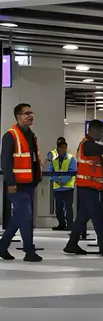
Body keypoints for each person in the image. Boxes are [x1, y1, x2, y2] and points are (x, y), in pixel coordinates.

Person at [64, 119, 103, 256]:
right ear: (93, 131)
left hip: (88, 187)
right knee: (97, 217)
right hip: (89, 187)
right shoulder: (88, 145)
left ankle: (71, 244)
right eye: (101, 131)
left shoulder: (89, 145)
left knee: (82, 217)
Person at [0, 103, 43, 262]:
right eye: (26, 113)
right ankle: (29, 251)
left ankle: (3, 246)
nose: (30, 115)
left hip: (29, 183)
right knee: (26, 216)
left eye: (31, 112)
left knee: (21, 216)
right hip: (17, 184)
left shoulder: (31, 135)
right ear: (18, 116)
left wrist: (37, 178)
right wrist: (10, 183)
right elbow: (5, 161)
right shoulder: (11, 135)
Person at [50, 139, 76, 231]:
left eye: (64, 147)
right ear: (57, 148)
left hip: (68, 187)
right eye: (61, 147)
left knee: (68, 207)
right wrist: (57, 181)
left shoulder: (71, 158)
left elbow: (72, 171)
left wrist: (63, 181)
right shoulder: (54, 160)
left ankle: (70, 224)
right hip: (57, 187)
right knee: (58, 207)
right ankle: (61, 224)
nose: (63, 149)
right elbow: (50, 172)